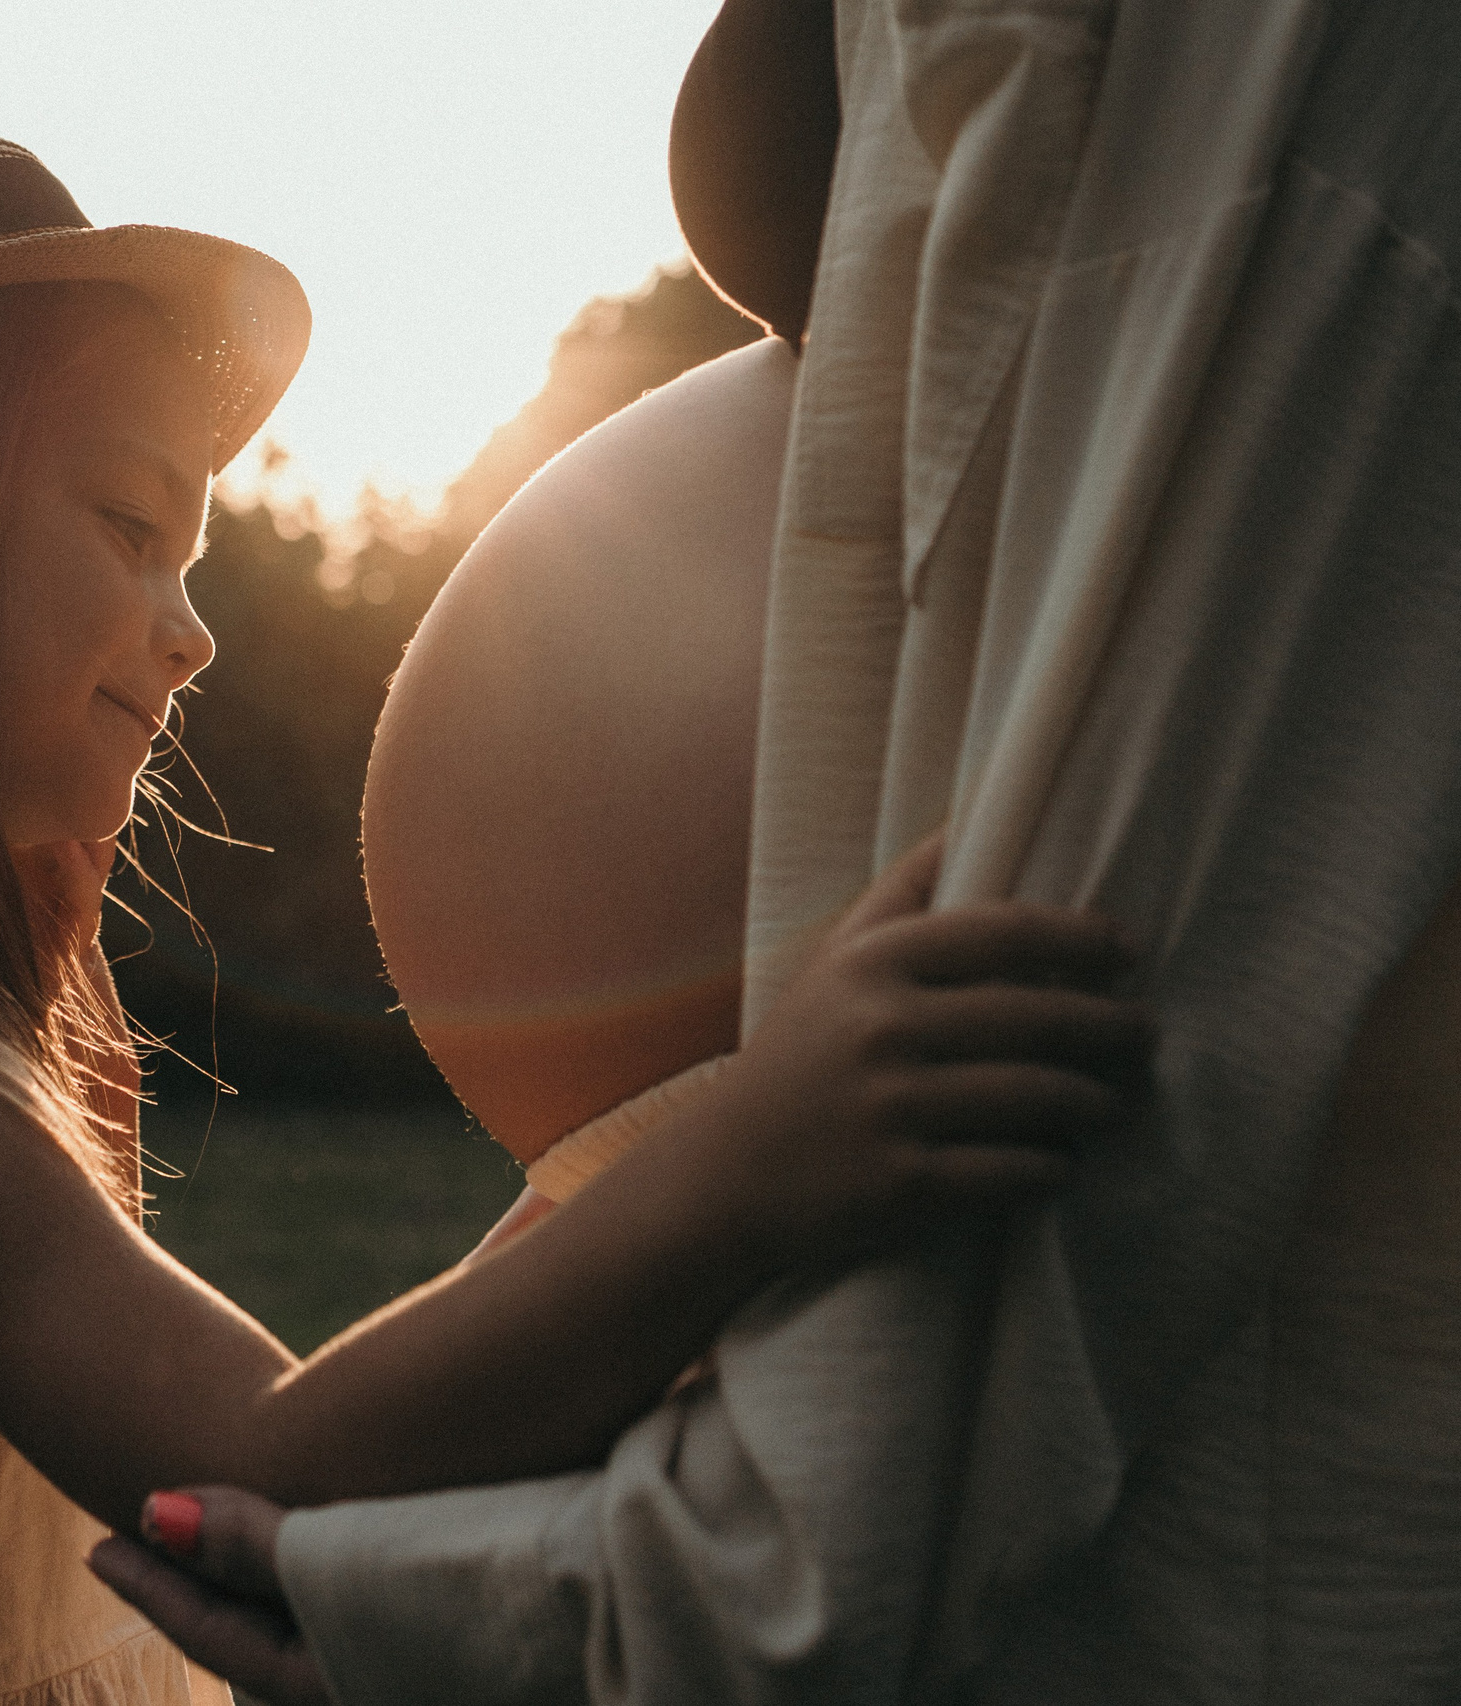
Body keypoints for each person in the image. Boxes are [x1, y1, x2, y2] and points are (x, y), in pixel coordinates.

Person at [0, 133, 1155, 1706]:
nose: (190, 627)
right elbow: (263, 1462)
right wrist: (765, 1155)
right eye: (132, 526)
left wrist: (592, 1208)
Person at [94, 0, 1461, 1700]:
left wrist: (459, 1626)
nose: (191, 637)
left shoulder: (1292, 102)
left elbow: (1069, 1159)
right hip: (775, 1279)